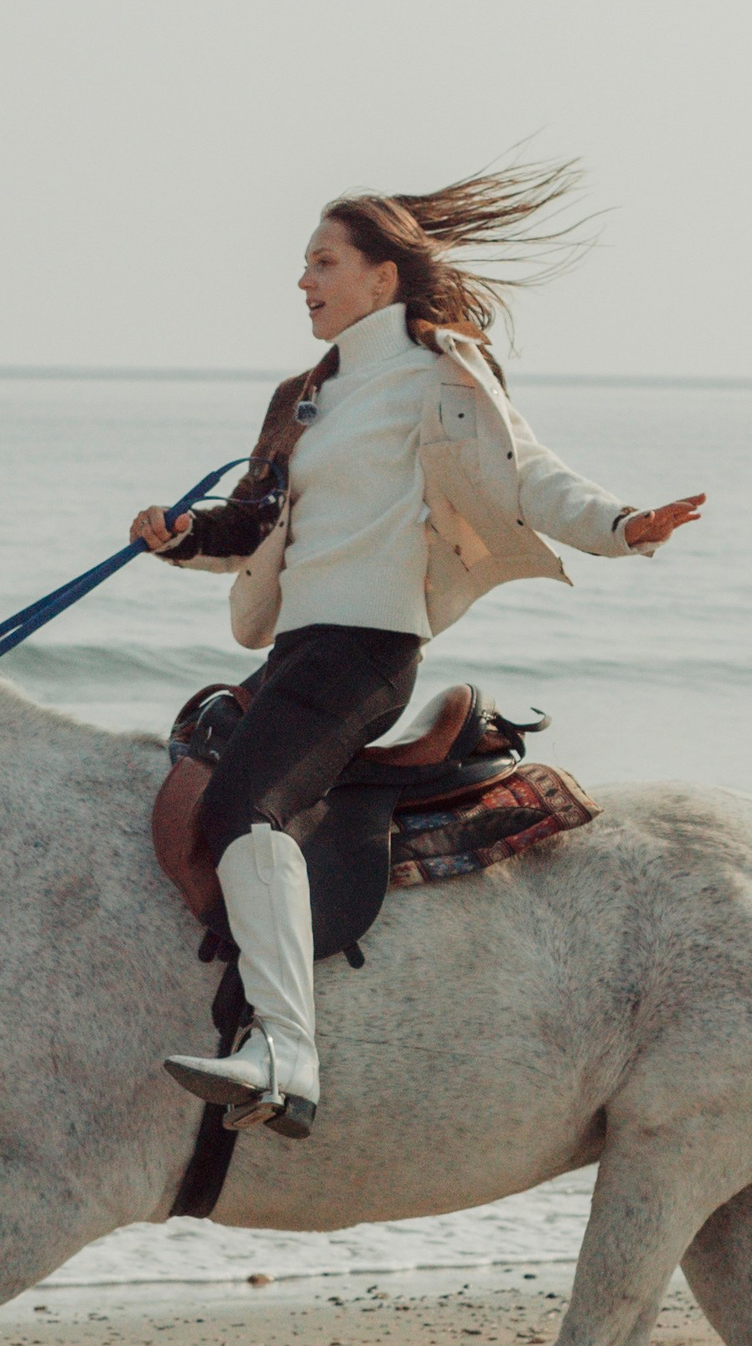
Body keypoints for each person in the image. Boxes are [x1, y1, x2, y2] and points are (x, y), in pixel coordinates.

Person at [130, 168, 703, 1138]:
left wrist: (622, 524)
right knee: (197, 782)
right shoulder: (302, 397)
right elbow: (255, 523)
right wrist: (180, 533)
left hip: (369, 642)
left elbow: (529, 478)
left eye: (323, 262)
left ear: (381, 280)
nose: (303, 279)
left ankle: (285, 1050)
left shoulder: (443, 373)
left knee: (243, 805)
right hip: (298, 642)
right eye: (302, 263)